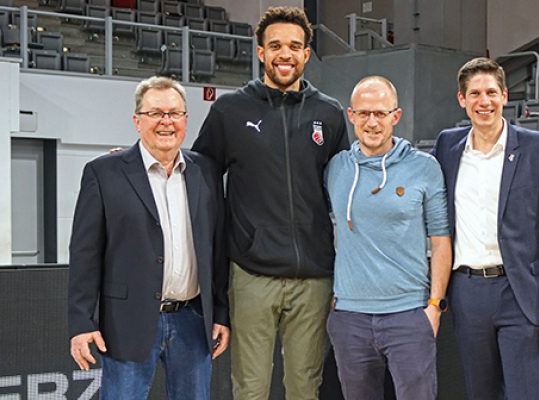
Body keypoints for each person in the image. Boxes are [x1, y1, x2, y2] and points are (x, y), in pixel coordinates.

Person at [191, 6, 349, 400]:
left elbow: (346, 188)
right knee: (250, 389)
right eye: (276, 45)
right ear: (260, 51)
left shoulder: (328, 113)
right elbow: (198, 173)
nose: (286, 54)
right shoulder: (229, 110)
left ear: (306, 54)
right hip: (251, 274)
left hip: (313, 277)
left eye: (295, 46)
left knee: (304, 388)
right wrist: (138, 161)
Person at [67, 76, 230, 400]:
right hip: (128, 322)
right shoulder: (104, 172)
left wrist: (221, 313)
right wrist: (81, 322)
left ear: (185, 120)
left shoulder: (206, 172)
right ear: (137, 121)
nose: (165, 122)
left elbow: (217, 248)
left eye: (174, 113)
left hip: (193, 321)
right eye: (155, 113)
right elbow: (85, 253)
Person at [431, 57, 539, 399]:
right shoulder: (446, 147)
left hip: (520, 293)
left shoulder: (538, 148)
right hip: (467, 291)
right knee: (480, 393)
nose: (484, 101)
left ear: (505, 95)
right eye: (476, 93)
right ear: (462, 99)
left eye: (491, 92)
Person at [324, 76, 451, 400]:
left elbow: (440, 241)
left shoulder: (424, 168)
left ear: (396, 116)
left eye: (380, 113)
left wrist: (434, 306)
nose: (372, 122)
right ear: (351, 116)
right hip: (349, 318)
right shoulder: (336, 168)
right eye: (364, 113)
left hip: (409, 315)